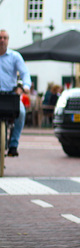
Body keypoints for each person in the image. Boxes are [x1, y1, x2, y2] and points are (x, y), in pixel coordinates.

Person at [0, 29, 32, 157]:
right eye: (0, 37)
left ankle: (13, 144)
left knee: (22, 113)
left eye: (5, 38)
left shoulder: (15, 56)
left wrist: (26, 85)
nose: (2, 40)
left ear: (8, 40)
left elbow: (24, 73)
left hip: (10, 95)